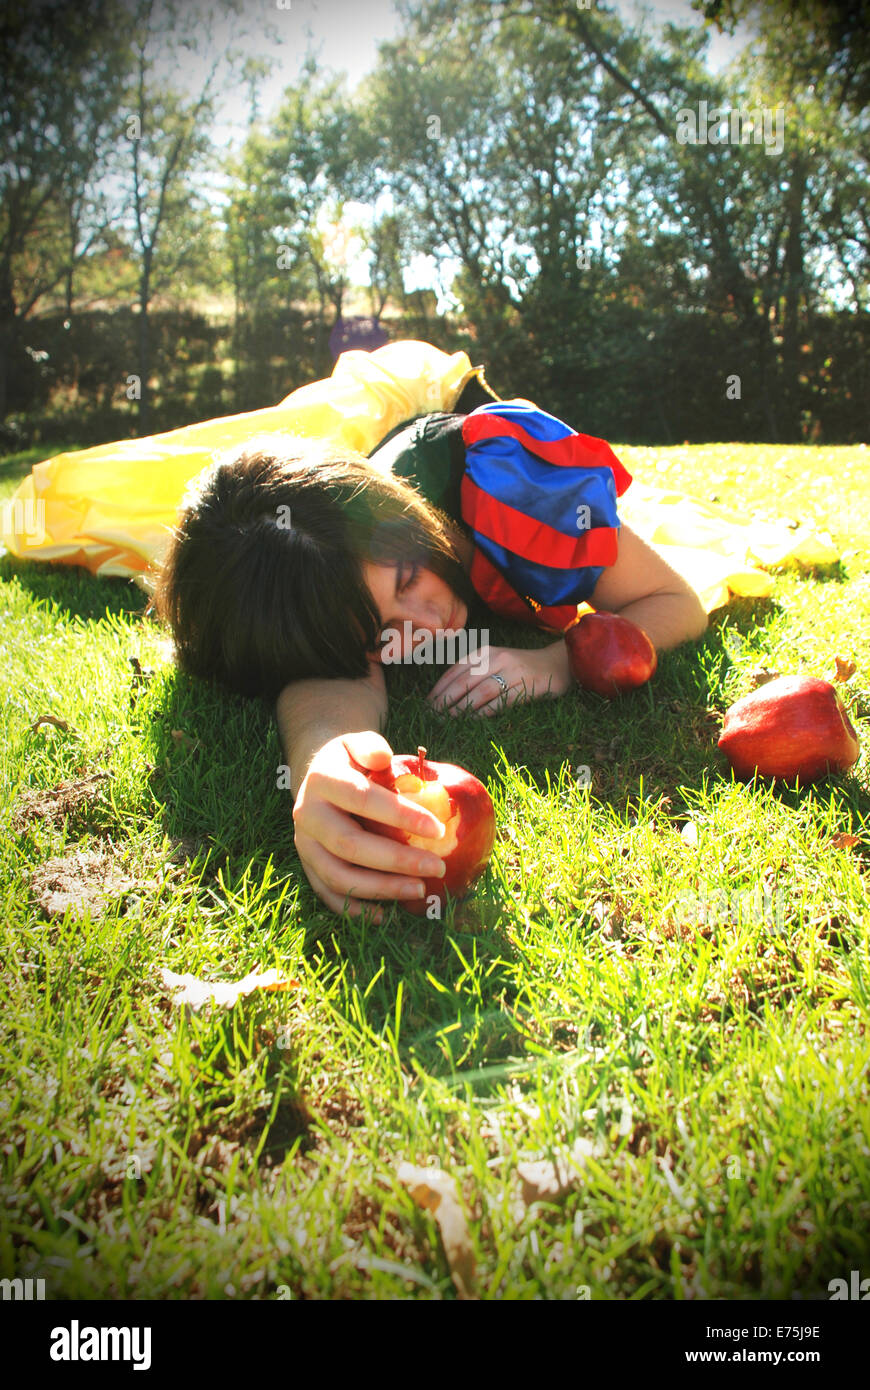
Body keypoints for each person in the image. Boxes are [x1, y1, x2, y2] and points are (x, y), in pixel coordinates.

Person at [153, 355, 708, 922]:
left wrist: (558, 662)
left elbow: (677, 603)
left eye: (409, 577)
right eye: (382, 634)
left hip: (453, 425)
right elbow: (327, 679)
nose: (429, 621)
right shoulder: (327, 578)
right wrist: (326, 759)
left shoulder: (520, 495)